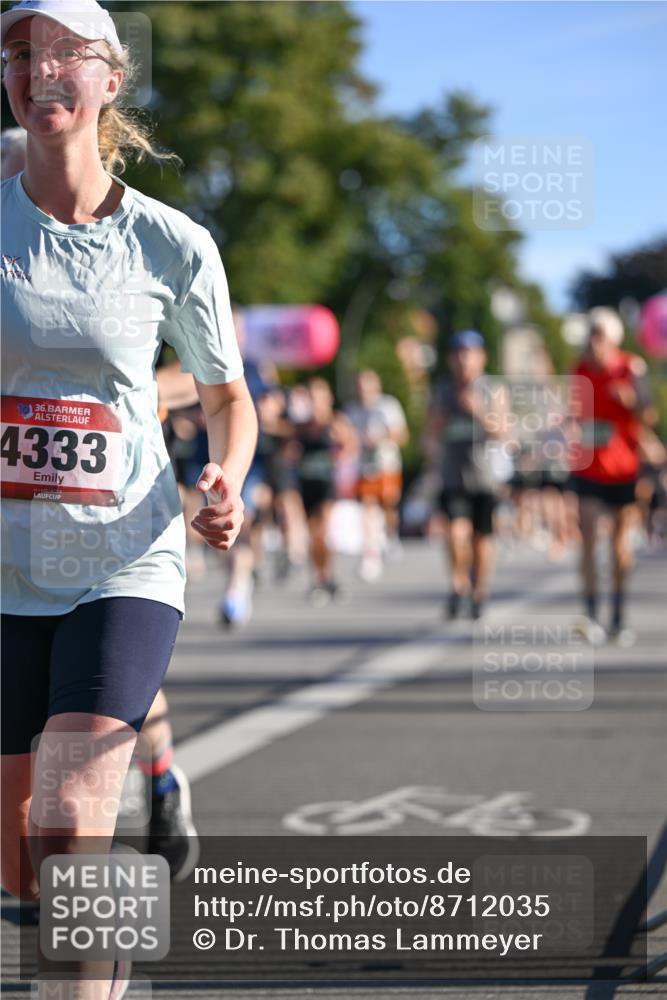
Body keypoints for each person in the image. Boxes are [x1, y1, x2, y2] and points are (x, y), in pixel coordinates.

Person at [0, 4, 257, 999]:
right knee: (27, 862)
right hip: (8, 561)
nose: (41, 69)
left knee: (67, 825)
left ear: (111, 81)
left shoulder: (173, 243)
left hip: (124, 557)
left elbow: (231, 397)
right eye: (23, 54)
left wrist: (227, 476)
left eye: (67, 52)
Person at [569, 307, 652, 643]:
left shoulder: (631, 367)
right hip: (588, 467)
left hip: (624, 469)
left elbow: (649, 413)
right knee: (588, 539)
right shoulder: (579, 371)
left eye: (601, 333)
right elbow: (571, 413)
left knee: (620, 546)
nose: (595, 339)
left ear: (614, 338)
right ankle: (591, 614)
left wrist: (630, 399)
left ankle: (618, 615)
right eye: (591, 333)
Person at [425, 330, 510, 620]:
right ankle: (458, 584)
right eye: (459, 354)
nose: (464, 360)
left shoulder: (493, 390)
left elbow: (502, 432)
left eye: (470, 353)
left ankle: (479, 592)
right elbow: (429, 435)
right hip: (452, 476)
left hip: (485, 478)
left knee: (481, 539)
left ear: (481, 357)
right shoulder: (442, 390)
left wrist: (478, 410)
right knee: (454, 533)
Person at [345, 369, 408, 581]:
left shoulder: (388, 406)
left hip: (387, 464)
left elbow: (402, 434)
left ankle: (390, 534)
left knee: (388, 504)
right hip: (364, 467)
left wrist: (381, 438)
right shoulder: (352, 410)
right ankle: (371, 554)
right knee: (368, 507)